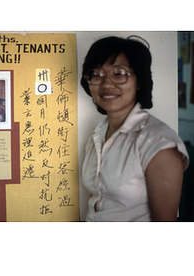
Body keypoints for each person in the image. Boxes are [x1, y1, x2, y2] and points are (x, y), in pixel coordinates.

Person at [81, 36, 189, 222]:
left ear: (139, 81)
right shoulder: (97, 135)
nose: (106, 84)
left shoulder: (159, 143)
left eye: (119, 73)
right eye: (96, 74)